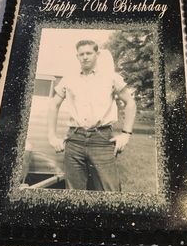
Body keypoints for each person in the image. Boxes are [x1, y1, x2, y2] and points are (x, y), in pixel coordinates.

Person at [48, 40, 136, 191]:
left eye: (89, 53)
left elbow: (130, 103)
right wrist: (51, 136)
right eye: (81, 54)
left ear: (97, 54)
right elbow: (53, 104)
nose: (85, 57)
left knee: (110, 190)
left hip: (101, 139)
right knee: (74, 192)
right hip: (74, 139)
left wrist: (126, 134)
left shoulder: (111, 77)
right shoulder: (69, 78)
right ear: (77, 56)